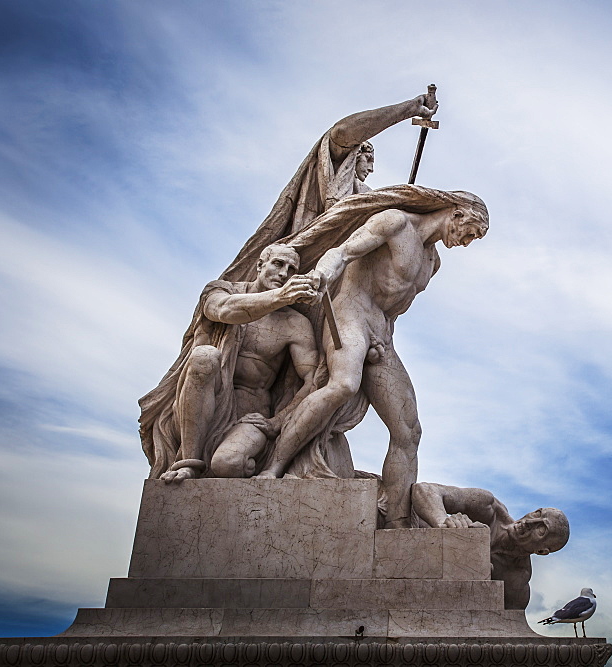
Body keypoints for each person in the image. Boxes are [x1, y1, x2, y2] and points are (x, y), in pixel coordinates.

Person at [252, 186, 489, 532]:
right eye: (470, 232)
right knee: (344, 384)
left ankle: (395, 521)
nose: (467, 242)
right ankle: (272, 467)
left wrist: (383, 334)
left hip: (381, 334)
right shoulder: (395, 223)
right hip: (350, 315)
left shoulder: (431, 262)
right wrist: (321, 275)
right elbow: (343, 252)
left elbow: (392, 306)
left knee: (409, 430)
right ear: (456, 213)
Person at [139, 244, 321, 481]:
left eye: (291, 269)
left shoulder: (295, 324)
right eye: (278, 264)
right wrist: (279, 297)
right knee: (205, 356)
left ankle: (241, 458)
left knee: (229, 464)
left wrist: (277, 421)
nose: (284, 274)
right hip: (202, 405)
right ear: (259, 265)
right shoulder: (220, 291)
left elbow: (312, 381)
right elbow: (223, 310)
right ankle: (189, 463)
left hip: (251, 414)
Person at [221, 90, 438, 284]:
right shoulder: (332, 170)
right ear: (355, 155)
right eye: (368, 159)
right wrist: (409, 109)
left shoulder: (365, 196)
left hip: (335, 274)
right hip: (297, 264)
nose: (371, 169)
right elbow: (342, 131)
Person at [410, 482, 570, 610]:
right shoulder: (488, 508)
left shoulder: (516, 579)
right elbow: (424, 489)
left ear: (541, 551)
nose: (529, 522)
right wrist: (443, 523)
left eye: (541, 529)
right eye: (537, 514)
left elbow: (505, 627)